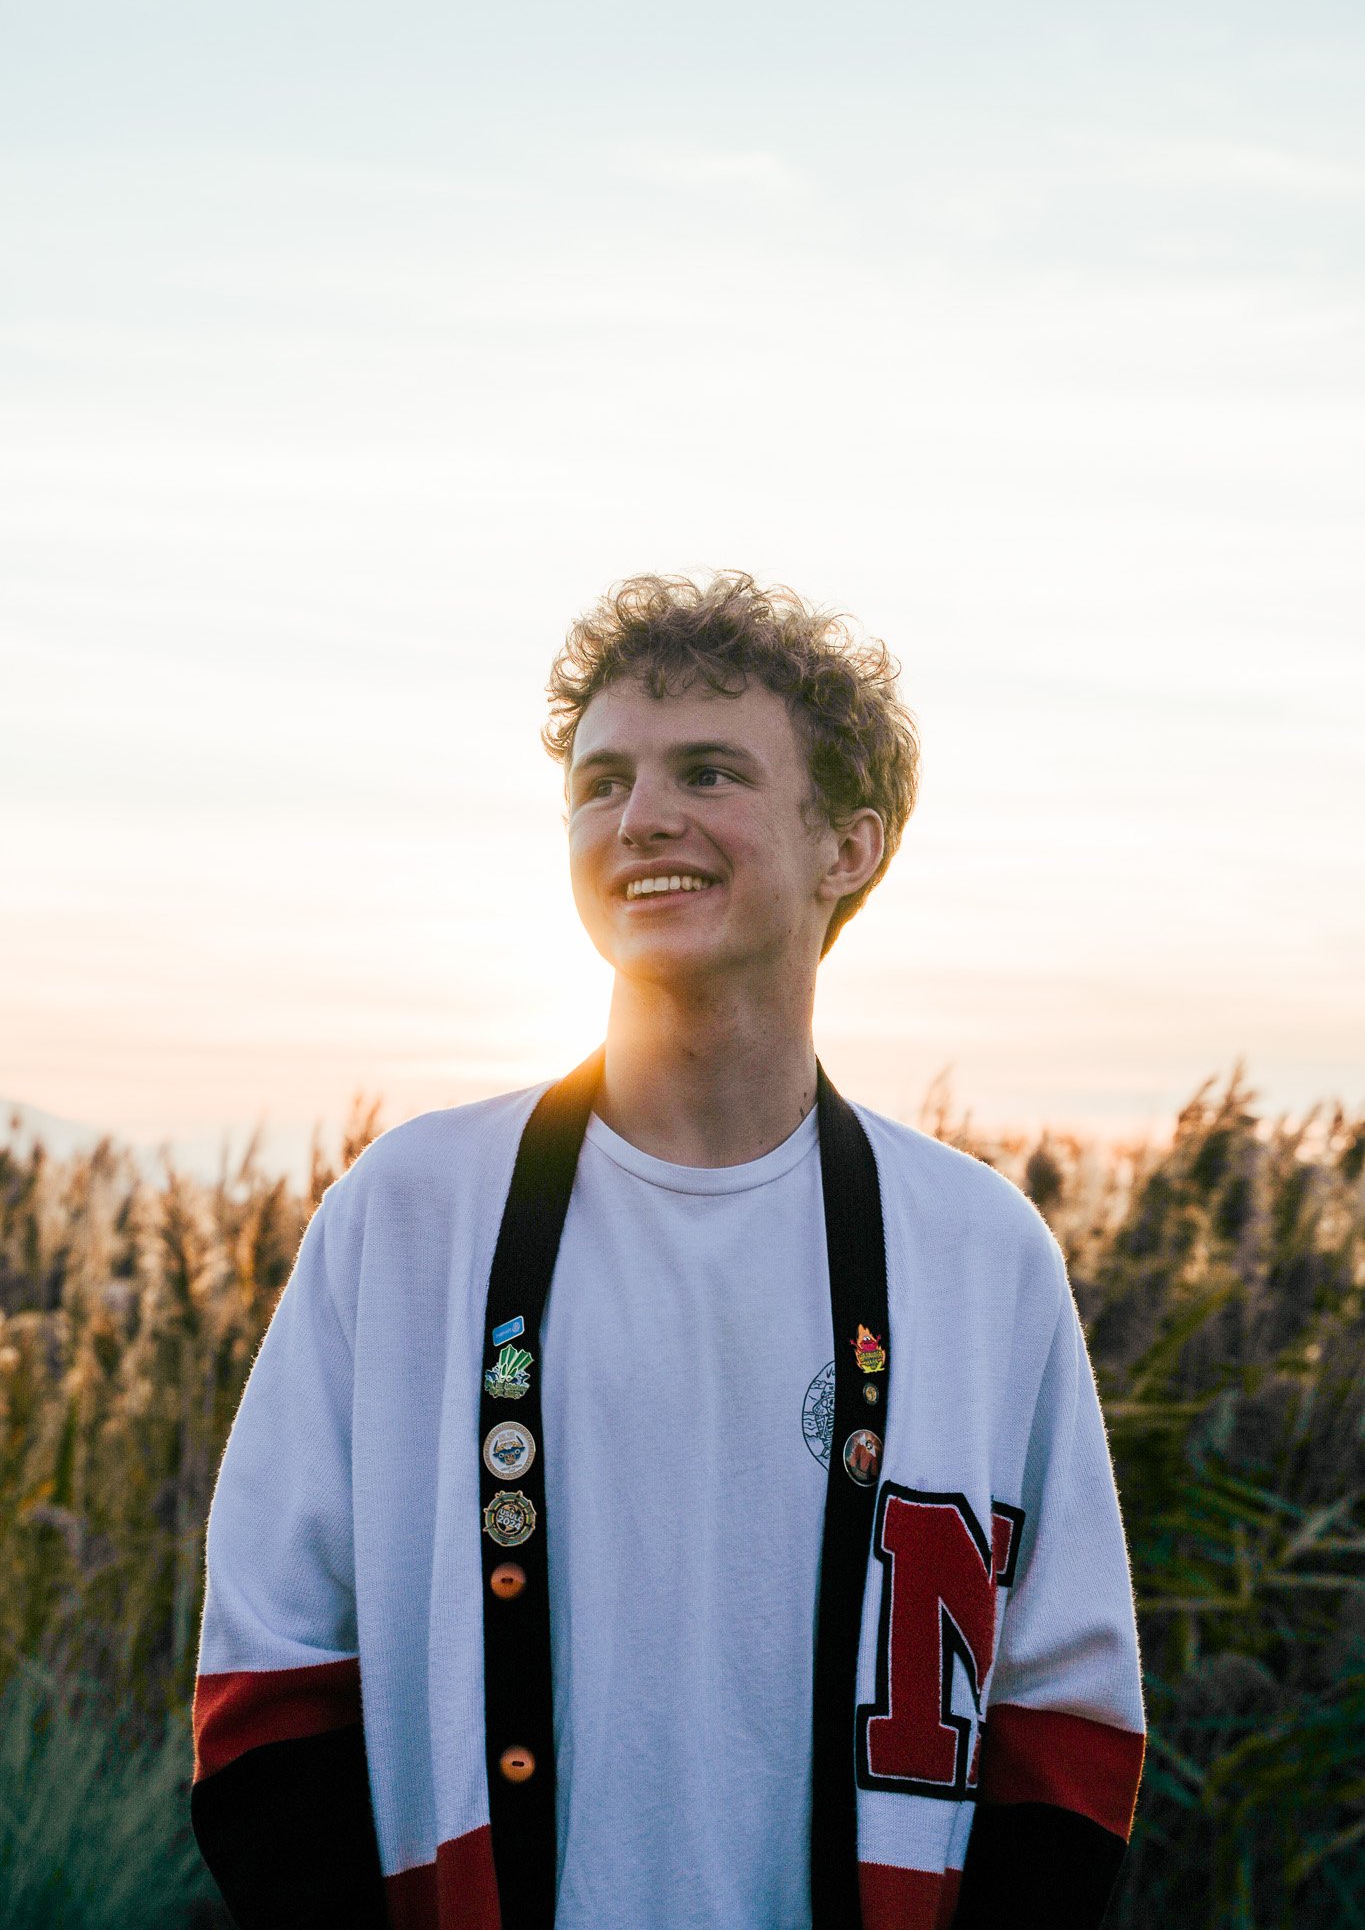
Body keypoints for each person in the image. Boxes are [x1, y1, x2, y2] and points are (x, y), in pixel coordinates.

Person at [191, 574, 1145, 1930]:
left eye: (708, 772)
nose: (639, 819)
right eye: (601, 783)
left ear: (849, 847)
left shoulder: (980, 1252)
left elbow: (1066, 1723)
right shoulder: (409, 1215)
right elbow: (267, 1690)